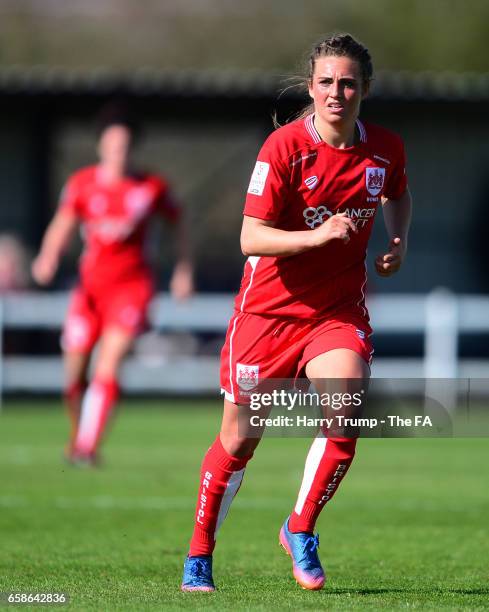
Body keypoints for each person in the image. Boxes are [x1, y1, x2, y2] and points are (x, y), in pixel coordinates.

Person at [181, 33, 411, 592]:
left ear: (366, 89)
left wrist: (397, 240)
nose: (337, 92)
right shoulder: (283, 149)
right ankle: (200, 553)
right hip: (268, 315)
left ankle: (300, 528)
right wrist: (320, 237)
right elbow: (249, 237)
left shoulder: (384, 149)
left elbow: (397, 193)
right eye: (327, 82)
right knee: (239, 440)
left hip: (336, 312)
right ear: (311, 87)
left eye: (348, 82)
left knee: (347, 411)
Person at [31, 104, 193, 465]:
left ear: (131, 148)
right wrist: (48, 256)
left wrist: (183, 270)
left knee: (109, 363)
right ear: (102, 147)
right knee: (72, 377)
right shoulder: (82, 184)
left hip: (132, 288)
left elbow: (178, 223)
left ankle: (88, 447)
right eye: (112, 145)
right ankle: (79, 439)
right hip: (89, 290)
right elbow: (63, 224)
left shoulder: (151, 188)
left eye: (124, 145)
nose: (118, 151)